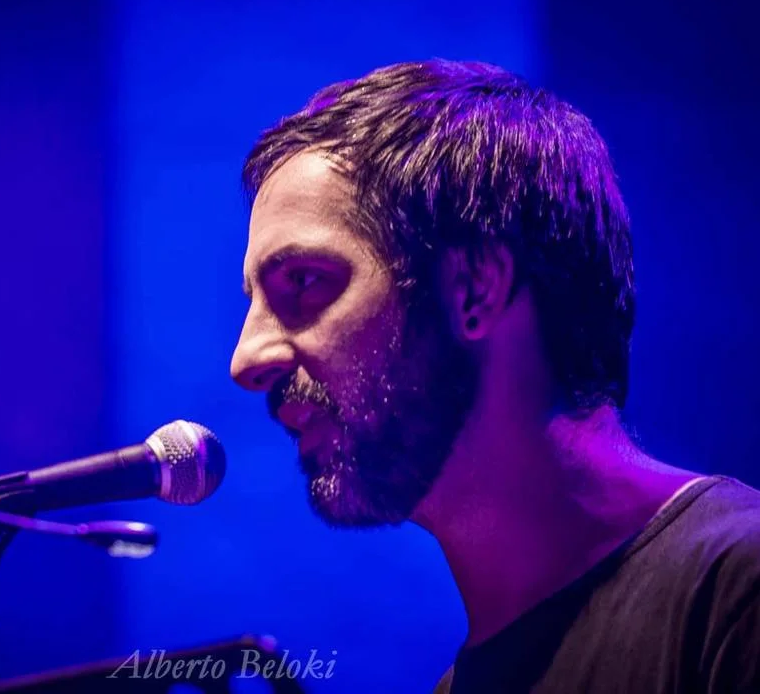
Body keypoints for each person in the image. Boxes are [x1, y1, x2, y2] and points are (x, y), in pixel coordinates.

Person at [228, 60, 760, 693]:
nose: (246, 359)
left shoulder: (737, 592)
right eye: (253, 302)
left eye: (305, 281)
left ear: (476, 288)